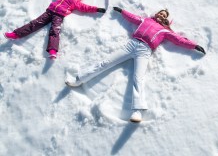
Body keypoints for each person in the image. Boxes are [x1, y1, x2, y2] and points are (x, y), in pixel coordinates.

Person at [65, 7, 206, 123]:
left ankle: (137, 112)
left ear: (166, 20)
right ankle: (79, 79)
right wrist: (122, 12)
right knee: (106, 62)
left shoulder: (165, 31)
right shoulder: (145, 20)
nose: (162, 16)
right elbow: (133, 18)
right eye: (161, 13)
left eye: (165, 16)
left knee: (138, 78)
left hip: (145, 51)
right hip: (131, 45)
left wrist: (193, 45)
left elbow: (178, 40)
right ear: (156, 14)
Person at [3, 0, 106, 59]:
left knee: (54, 31)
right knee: (35, 23)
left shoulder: (76, 3)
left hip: (59, 16)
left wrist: (97, 9)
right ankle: (16, 34)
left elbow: (86, 8)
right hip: (49, 12)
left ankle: (53, 50)